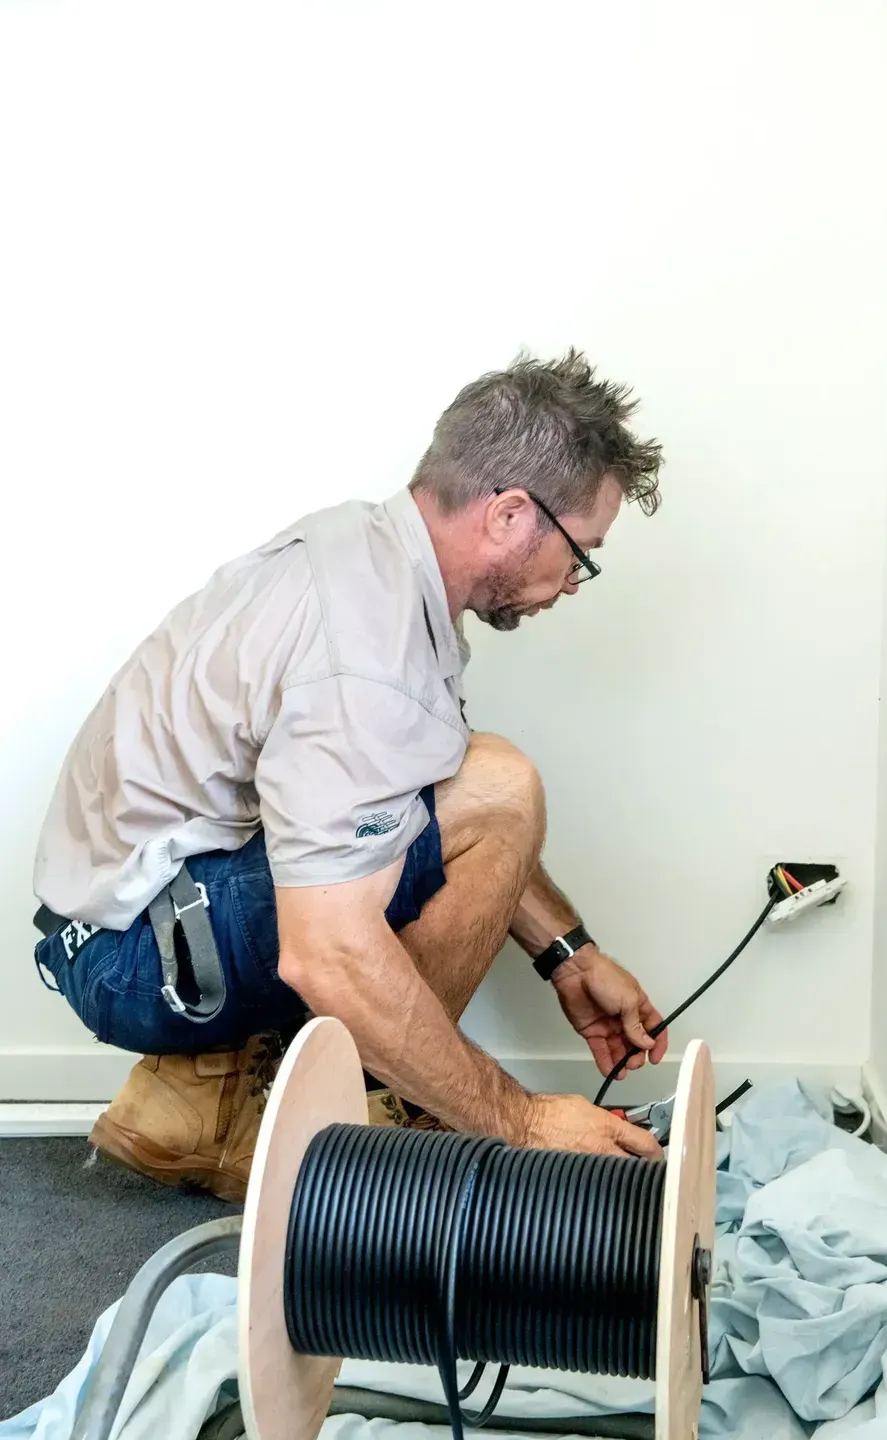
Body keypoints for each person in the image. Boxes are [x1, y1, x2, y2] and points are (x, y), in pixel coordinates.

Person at [32, 349, 668, 1201]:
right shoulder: (363, 649)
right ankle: (353, 1143)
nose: (576, 582)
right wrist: (521, 1122)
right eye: (581, 553)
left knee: (483, 783)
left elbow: (414, 797)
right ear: (512, 514)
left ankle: (206, 1097)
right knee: (500, 785)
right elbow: (326, 953)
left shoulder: (372, 559)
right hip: (133, 959)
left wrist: (569, 955)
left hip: (138, 923)